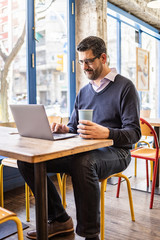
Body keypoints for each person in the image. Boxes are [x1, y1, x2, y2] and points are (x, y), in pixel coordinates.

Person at [18, 36, 141, 240]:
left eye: (89, 61)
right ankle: (59, 219)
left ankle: (89, 235)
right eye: (81, 61)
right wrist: (63, 129)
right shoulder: (84, 92)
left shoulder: (125, 87)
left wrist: (107, 133)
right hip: (82, 150)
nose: (85, 67)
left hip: (117, 152)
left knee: (83, 163)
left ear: (103, 58)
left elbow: (134, 134)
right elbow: (75, 127)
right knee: (28, 160)